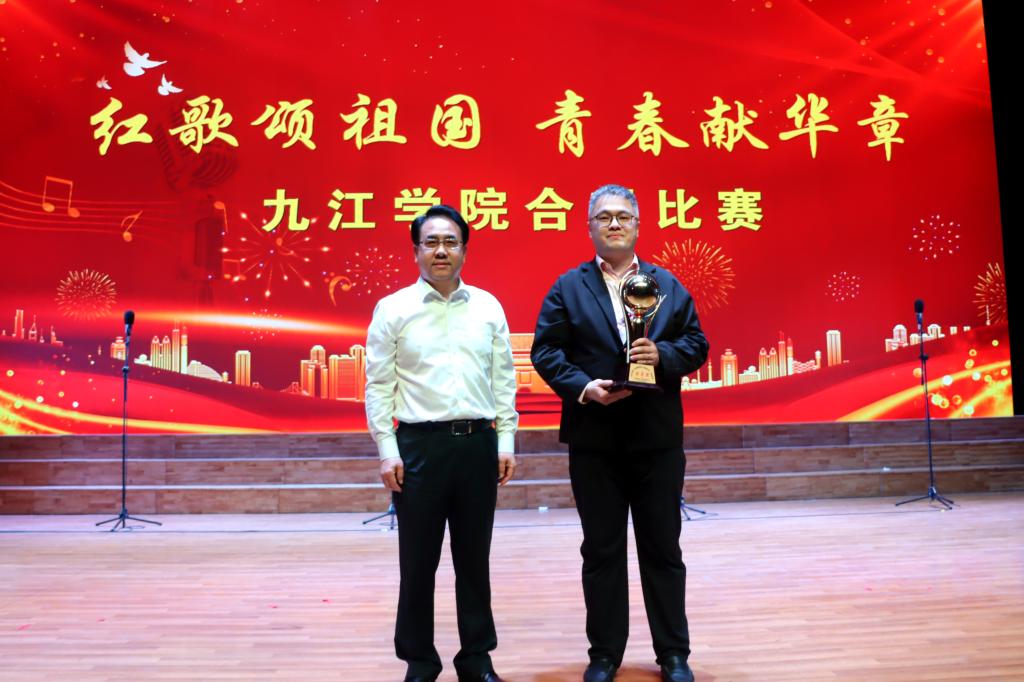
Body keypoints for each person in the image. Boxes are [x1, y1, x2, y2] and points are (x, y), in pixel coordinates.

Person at [531, 184, 709, 682]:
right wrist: (583, 387)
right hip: (596, 440)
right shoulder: (568, 287)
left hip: (656, 439)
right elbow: (546, 351)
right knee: (601, 551)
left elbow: (697, 343)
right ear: (589, 227)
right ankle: (604, 654)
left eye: (623, 216)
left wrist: (663, 355)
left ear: (638, 226)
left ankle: (673, 654)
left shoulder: (666, 283)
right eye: (604, 217)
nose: (614, 224)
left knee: (663, 549)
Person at [365, 204, 518, 682]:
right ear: (416, 251)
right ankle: (419, 661)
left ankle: (477, 658)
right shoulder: (393, 309)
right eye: (431, 242)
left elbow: (504, 379)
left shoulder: (488, 307)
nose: (441, 251)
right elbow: (378, 386)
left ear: (465, 250)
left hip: (477, 445)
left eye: (450, 242)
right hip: (419, 449)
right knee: (418, 563)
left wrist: (506, 440)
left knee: (474, 560)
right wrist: (387, 449)